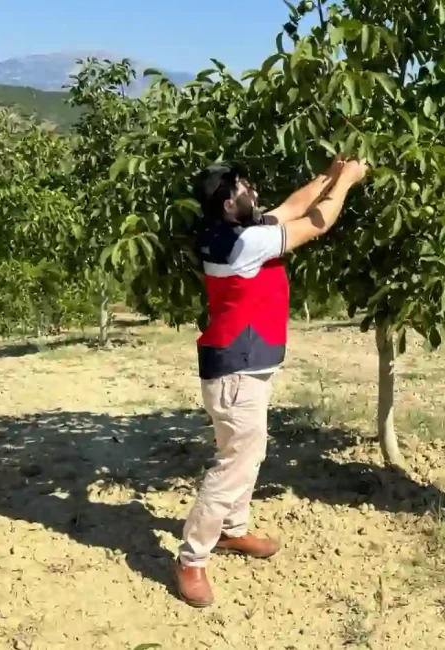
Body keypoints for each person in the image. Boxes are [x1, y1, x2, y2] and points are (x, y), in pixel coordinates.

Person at [175, 156, 369, 607]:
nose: (253, 191)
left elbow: (290, 206)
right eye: (243, 187)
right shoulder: (242, 243)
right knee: (234, 464)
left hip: (245, 365)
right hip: (236, 371)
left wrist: (329, 174)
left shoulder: (236, 230)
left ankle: (232, 530)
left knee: (250, 452)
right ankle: (191, 558)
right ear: (227, 205)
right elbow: (315, 223)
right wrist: (348, 184)